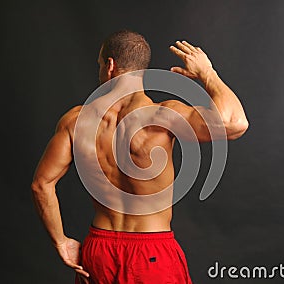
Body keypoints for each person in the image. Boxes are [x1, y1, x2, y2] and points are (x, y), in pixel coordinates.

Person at [31, 30, 248, 284]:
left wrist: (61, 241)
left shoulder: (76, 121)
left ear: (110, 65)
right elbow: (235, 123)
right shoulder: (162, 117)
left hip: (99, 252)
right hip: (152, 255)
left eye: (100, 65)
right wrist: (207, 73)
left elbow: (41, 184)